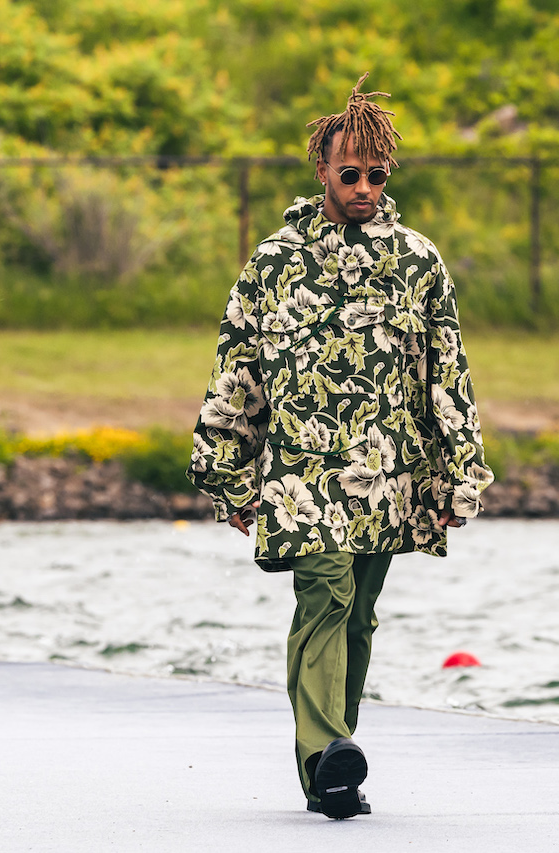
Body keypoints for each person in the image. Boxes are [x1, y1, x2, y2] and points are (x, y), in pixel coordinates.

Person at [186, 73, 493, 820]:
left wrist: (459, 473)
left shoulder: (419, 262)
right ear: (321, 169)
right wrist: (230, 476)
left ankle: (334, 770)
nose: (362, 186)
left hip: (386, 471)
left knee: (359, 613)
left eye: (375, 175)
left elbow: (444, 371)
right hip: (302, 472)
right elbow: (240, 372)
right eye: (349, 173)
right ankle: (325, 748)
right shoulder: (274, 262)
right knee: (324, 591)